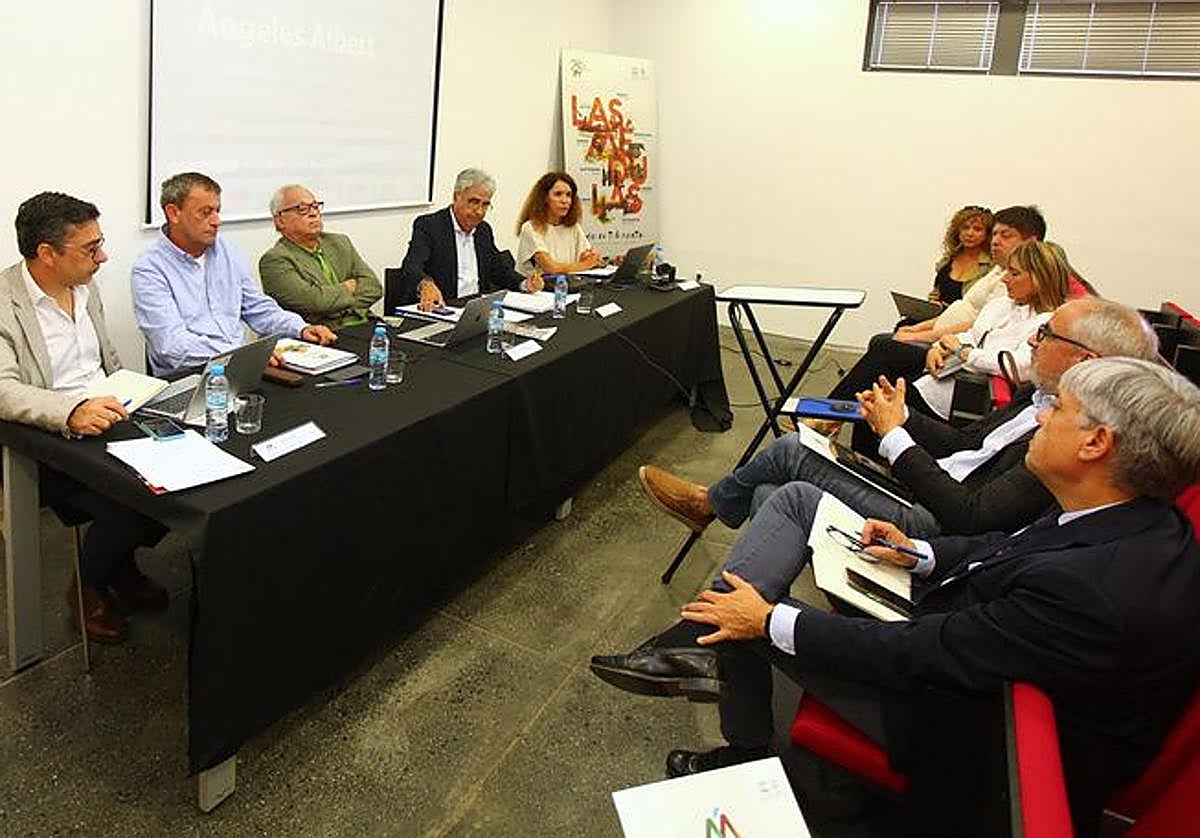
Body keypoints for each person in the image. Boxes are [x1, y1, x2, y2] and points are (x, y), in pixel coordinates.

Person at [597, 357, 1200, 835]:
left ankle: (741, 744)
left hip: (971, 731)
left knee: (750, 620)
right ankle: (703, 644)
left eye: (1059, 411)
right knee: (779, 523)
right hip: (972, 643)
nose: (1041, 418)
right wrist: (922, 554)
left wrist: (770, 620)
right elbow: (1006, 545)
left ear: (1096, 443)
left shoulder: (1088, 592)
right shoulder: (1133, 519)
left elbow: (919, 652)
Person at [631, 296, 1156, 550]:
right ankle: (740, 637)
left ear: (1086, 359)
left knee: (794, 453)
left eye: (1048, 337)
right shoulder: (1039, 397)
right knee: (772, 494)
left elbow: (970, 517)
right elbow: (967, 442)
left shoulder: (1066, 434)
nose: (1033, 343)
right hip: (931, 483)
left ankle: (709, 505)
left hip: (932, 519)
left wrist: (895, 436)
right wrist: (900, 417)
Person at [0, 192, 168, 643]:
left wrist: (138, 394)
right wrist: (70, 411)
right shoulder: (3, 302)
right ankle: (88, 584)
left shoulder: (84, 287)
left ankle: (118, 564)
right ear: (47, 254)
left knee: (182, 483)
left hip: (107, 415)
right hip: (48, 435)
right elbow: (3, 388)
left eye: (101, 243)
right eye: (90, 249)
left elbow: (104, 362)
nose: (103, 256)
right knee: (133, 501)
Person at [819, 206, 1047, 416]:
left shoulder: (1020, 297)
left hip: (963, 366)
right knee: (891, 347)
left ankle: (828, 413)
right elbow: (971, 322)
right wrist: (928, 336)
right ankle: (834, 416)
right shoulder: (998, 274)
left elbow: (997, 350)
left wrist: (942, 344)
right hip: (950, 348)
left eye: (1005, 235)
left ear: (1032, 242)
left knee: (884, 348)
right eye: (994, 234)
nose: (995, 241)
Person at [132, 172, 337, 376]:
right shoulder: (150, 269)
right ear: (174, 213)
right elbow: (171, 346)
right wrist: (243, 354)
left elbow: (256, 307)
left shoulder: (226, 250)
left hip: (242, 367)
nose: (216, 221)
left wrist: (299, 328)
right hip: (191, 375)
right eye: (205, 212)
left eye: (217, 211)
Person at [909, 238, 1069, 419]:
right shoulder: (1000, 305)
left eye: (1014, 273)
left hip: (974, 398)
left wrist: (964, 352)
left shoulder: (1049, 323)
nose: (1005, 278)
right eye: (1007, 270)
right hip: (948, 378)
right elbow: (973, 336)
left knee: (887, 397)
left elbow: (1017, 366)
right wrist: (938, 348)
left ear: (1040, 279)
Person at [399, 168, 542, 312]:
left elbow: (498, 270)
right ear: (456, 197)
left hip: (476, 310)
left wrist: (524, 283)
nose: (479, 211)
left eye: (485, 204)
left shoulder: (483, 230)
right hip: (444, 308)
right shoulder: (429, 226)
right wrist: (425, 284)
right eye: (474, 202)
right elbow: (412, 266)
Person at [258, 184, 382, 328]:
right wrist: (349, 288)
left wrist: (333, 308)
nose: (313, 213)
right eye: (302, 209)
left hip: (364, 322)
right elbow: (314, 302)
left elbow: (374, 287)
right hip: (323, 334)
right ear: (280, 220)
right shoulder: (275, 260)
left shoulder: (340, 242)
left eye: (315, 206)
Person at [514, 171, 604, 278]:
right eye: (558, 194)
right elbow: (551, 268)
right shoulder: (531, 227)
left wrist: (593, 258)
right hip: (537, 291)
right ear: (545, 198)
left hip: (568, 287)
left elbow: (588, 258)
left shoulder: (573, 227)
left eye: (568, 195)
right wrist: (586, 264)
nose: (565, 200)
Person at [925, 205, 993, 310]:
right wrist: (933, 303)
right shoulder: (948, 259)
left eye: (977, 229)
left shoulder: (991, 266)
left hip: (965, 321)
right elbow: (935, 294)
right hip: (936, 316)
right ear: (957, 231)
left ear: (987, 235)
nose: (970, 233)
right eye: (965, 228)